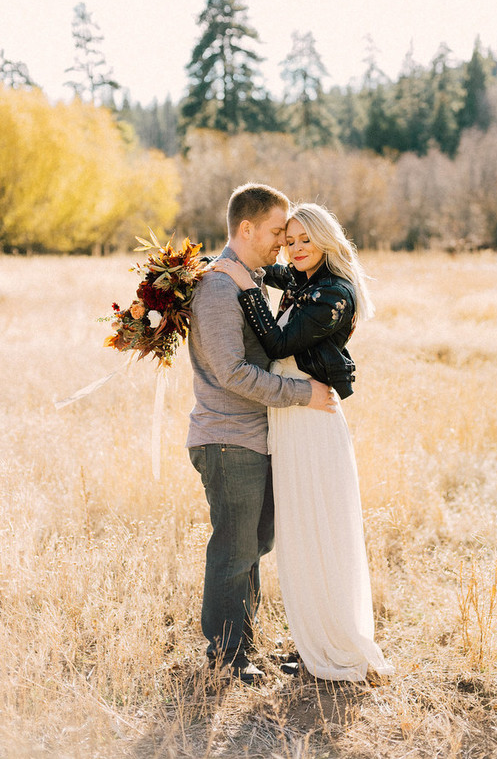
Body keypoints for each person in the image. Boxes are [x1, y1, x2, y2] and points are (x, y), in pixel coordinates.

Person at [212, 202, 394, 682]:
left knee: (321, 527)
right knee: (299, 530)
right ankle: (315, 643)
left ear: (326, 239)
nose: (293, 248)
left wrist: (247, 286)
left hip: (312, 418)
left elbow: (277, 343)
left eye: (303, 240)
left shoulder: (333, 293)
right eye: (288, 239)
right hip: (290, 417)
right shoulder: (303, 279)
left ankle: (337, 644)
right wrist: (228, 265)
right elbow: (266, 266)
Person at [186, 184, 335, 685]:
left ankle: (241, 642)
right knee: (234, 546)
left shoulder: (245, 278)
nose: (282, 243)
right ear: (246, 229)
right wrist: (302, 394)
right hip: (227, 438)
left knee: (257, 541)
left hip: (256, 435)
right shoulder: (217, 288)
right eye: (276, 232)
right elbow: (232, 372)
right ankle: (227, 657)